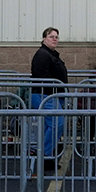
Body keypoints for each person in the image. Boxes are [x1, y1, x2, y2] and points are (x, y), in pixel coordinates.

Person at [30, 27, 69, 166]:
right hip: (44, 94)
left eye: (56, 37)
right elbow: (41, 75)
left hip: (51, 94)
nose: (55, 39)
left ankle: (44, 153)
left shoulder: (50, 54)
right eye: (51, 36)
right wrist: (57, 85)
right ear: (44, 38)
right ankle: (44, 154)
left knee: (51, 125)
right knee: (56, 123)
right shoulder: (42, 54)